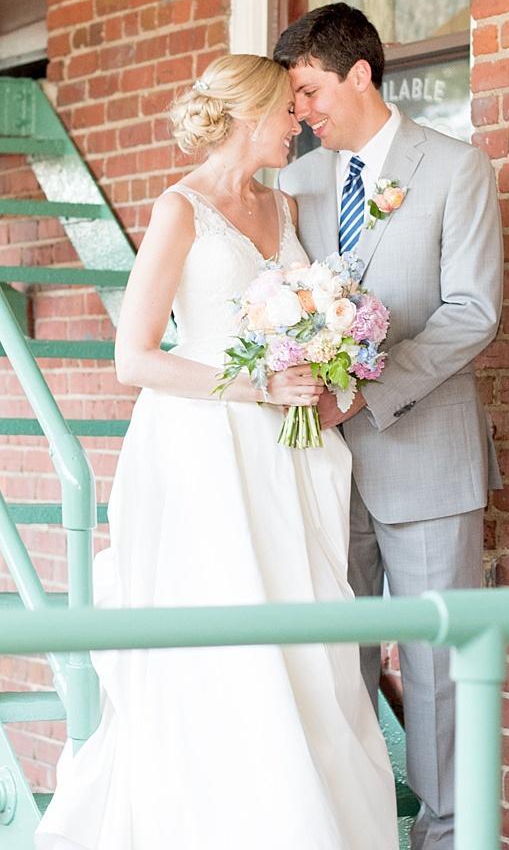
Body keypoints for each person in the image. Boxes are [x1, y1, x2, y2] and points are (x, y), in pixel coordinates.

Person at [37, 54, 396, 849]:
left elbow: (300, 310)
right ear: (248, 114)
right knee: (232, 649)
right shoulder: (180, 210)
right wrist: (259, 388)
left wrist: (320, 357)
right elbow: (133, 358)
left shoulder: (282, 207)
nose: (299, 122)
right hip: (206, 451)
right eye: (286, 111)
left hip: (289, 455)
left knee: (306, 647)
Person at [275, 3, 504, 850]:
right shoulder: (292, 188)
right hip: (320, 471)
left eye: (307, 90)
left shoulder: (455, 168)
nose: (300, 112)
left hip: (426, 461)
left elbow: (474, 311)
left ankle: (449, 840)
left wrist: (365, 396)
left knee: (439, 676)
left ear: (359, 73)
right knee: (338, 667)